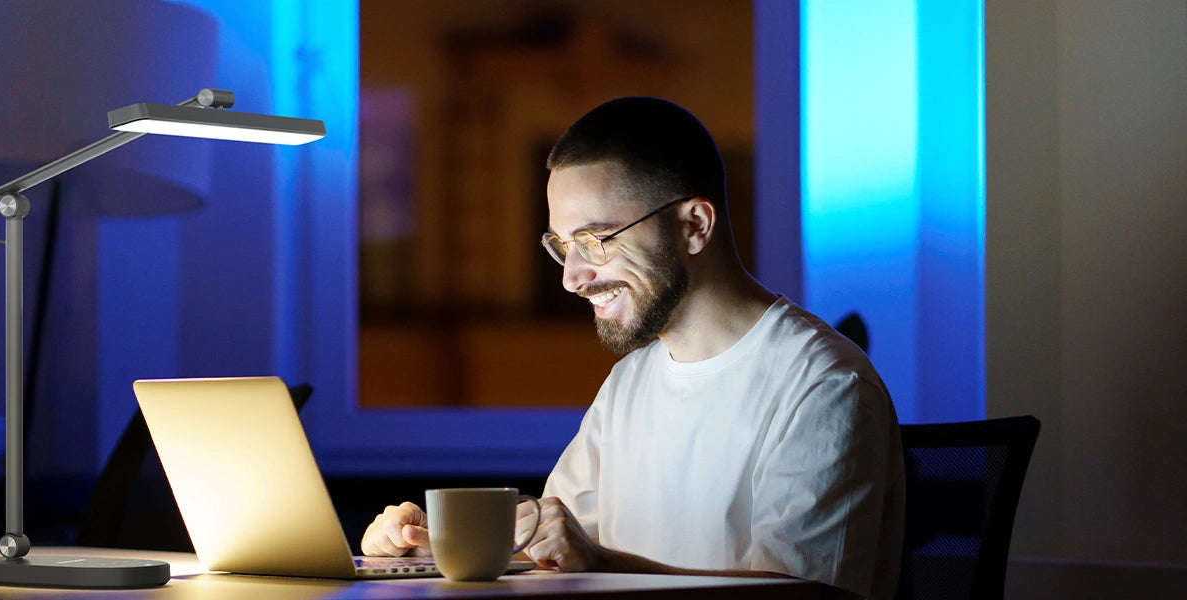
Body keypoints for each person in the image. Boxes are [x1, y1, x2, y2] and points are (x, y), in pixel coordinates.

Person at [359, 97, 904, 600]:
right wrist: (431, 551)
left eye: (596, 240)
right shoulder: (630, 382)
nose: (572, 277)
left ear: (694, 225)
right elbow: (554, 554)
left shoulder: (824, 385)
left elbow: (807, 594)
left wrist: (600, 560)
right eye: (561, 246)